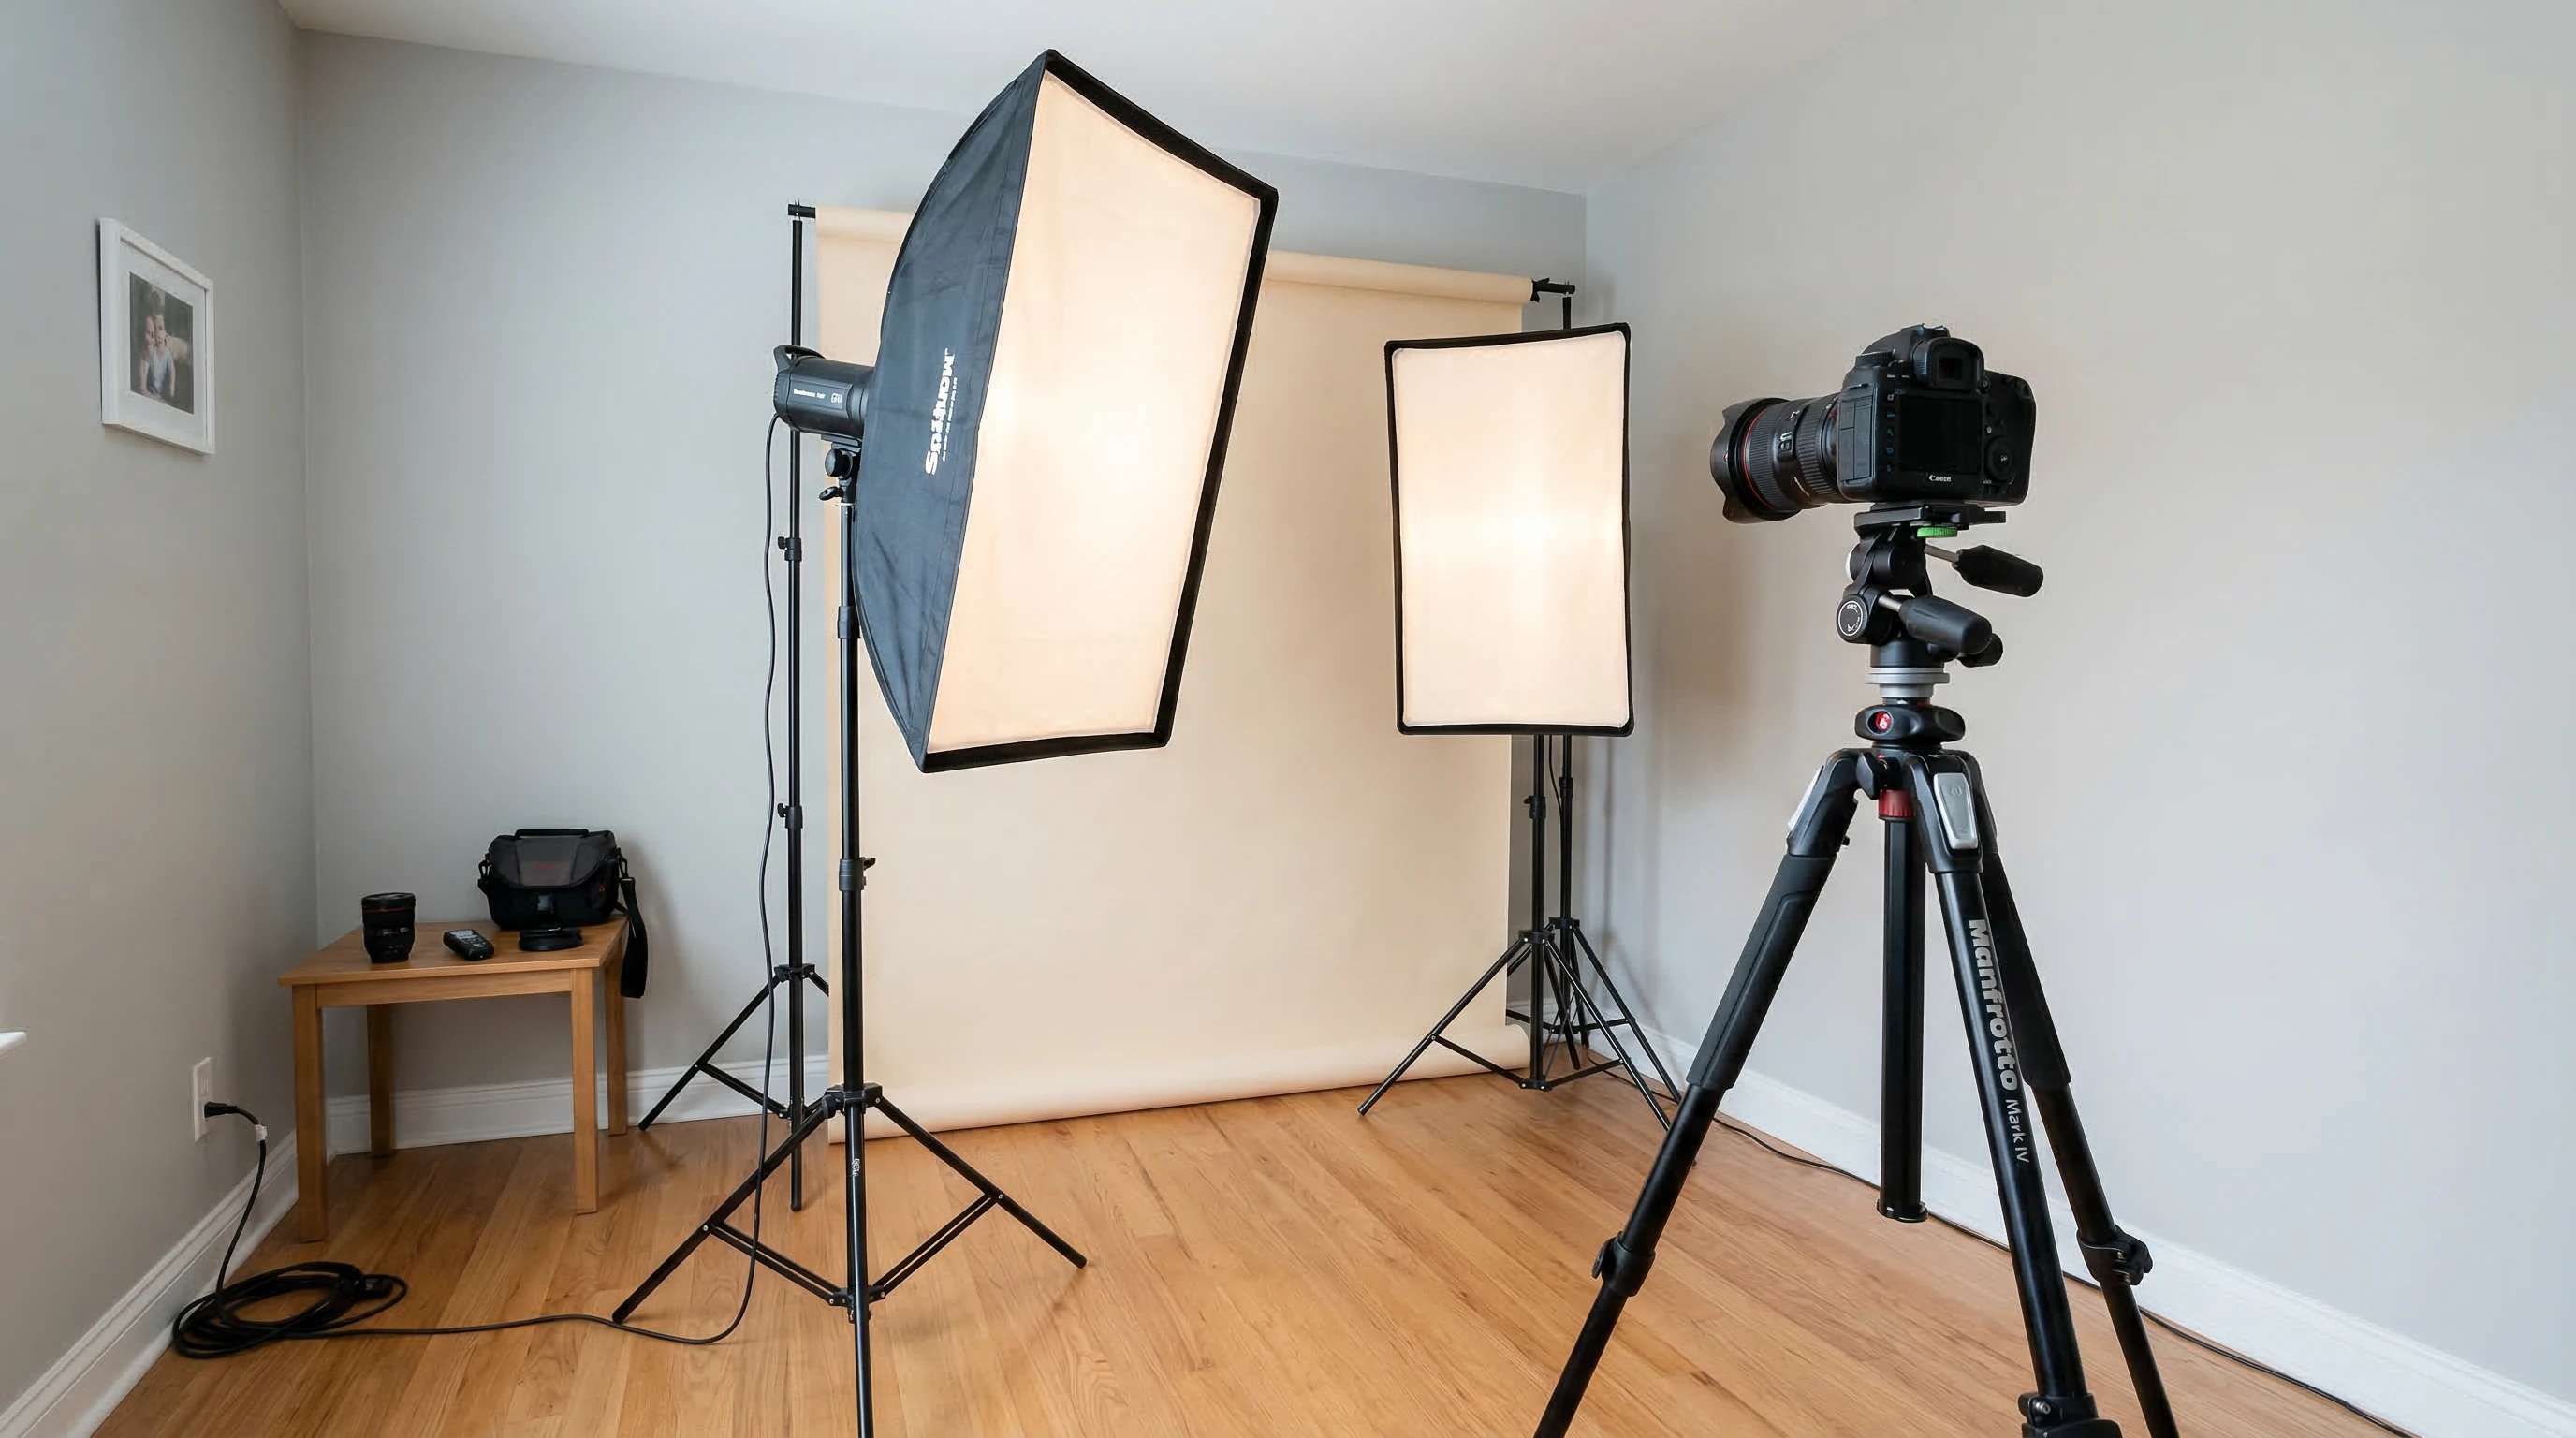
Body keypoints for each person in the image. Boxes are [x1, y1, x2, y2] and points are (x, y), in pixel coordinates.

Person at [135, 286, 189, 407]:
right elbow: (142, 388)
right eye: (152, 333)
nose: (157, 336)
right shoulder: (147, 355)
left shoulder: (168, 346)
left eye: (160, 329)